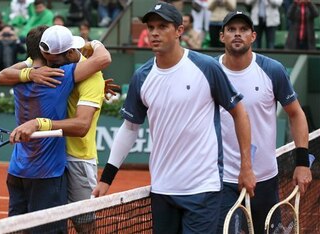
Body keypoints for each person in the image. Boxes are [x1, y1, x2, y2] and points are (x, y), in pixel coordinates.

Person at [92, 2, 256, 233]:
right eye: (150, 27)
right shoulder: (142, 77)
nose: (154, 33)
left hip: (203, 188)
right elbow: (130, 128)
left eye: (162, 26)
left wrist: (246, 167)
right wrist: (106, 178)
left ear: (179, 30)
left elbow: (239, 112)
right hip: (162, 190)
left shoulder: (206, 67)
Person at [0, 25, 115, 232]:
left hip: (34, 164)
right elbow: (103, 59)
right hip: (49, 169)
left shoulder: (19, 75)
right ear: (44, 52)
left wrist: (28, 73)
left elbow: (1, 75)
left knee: (18, 227)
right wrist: (93, 43)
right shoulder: (62, 73)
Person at [217, 11, 312, 233]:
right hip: (222, 181)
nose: (237, 34)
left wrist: (301, 162)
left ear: (253, 36)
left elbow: (296, 114)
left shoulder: (272, 70)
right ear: (222, 36)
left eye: (243, 30)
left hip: (266, 180)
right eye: (231, 30)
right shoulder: (212, 71)